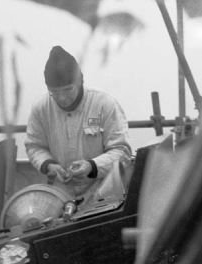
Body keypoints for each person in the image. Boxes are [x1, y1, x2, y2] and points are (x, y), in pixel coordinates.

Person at [25, 45, 132, 206]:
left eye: (68, 90)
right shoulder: (40, 108)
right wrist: (49, 165)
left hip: (104, 193)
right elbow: (34, 146)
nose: (62, 98)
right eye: (54, 92)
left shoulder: (105, 104)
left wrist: (92, 166)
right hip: (60, 195)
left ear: (80, 81)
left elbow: (122, 151)